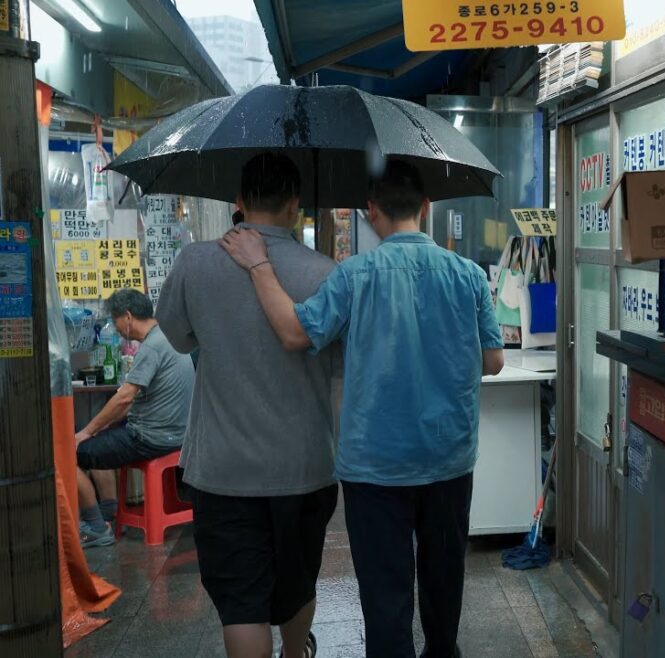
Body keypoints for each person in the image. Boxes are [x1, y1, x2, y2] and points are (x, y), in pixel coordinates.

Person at [220, 160, 505, 658]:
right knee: (444, 588)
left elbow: (294, 332)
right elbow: (494, 361)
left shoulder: (354, 276)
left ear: (370, 212)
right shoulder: (468, 276)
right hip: (448, 459)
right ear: (426, 207)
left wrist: (260, 265)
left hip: (375, 467)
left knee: (384, 596)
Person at [156, 152, 341, 658]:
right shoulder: (325, 273)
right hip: (304, 465)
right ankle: (295, 651)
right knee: (297, 580)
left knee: (242, 601)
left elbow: (176, 337)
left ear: (238, 203)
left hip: (222, 470)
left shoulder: (195, 262)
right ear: (295, 205)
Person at [75, 288, 194, 548]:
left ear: (127, 317)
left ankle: (96, 527)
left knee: (70, 453)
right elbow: (129, 402)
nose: (115, 328)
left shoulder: (152, 346)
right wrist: (96, 428)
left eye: (115, 320)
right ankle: (109, 515)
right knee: (97, 441)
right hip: (177, 434)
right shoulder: (168, 337)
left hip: (153, 438)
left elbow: (125, 397)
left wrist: (85, 432)